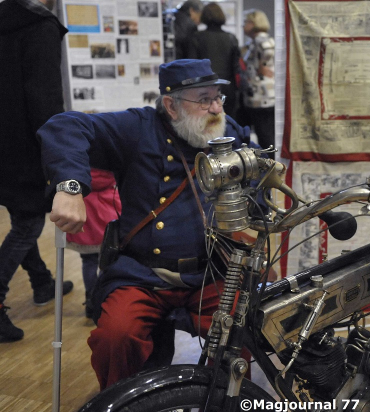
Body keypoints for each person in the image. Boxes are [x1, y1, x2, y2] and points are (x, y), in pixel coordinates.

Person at [38, 59, 254, 389]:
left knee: (243, 328)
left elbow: (256, 186)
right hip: (144, 274)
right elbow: (63, 125)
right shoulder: (138, 127)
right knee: (115, 336)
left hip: (210, 272)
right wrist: (70, 186)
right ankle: (122, 402)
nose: (215, 108)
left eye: (218, 98)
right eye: (204, 99)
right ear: (170, 104)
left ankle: (224, 398)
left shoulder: (229, 134)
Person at [0, 0, 73, 342]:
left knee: (21, 215)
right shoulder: (40, 27)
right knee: (29, 223)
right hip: (24, 145)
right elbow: (44, 97)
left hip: (4, 143)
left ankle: (42, 282)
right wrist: (58, 149)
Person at [65, 168, 121, 318]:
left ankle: (90, 299)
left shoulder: (79, 166)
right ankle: (106, 297)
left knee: (88, 262)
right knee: (108, 262)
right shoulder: (106, 168)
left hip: (83, 211)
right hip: (106, 213)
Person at [190, 2, 241, 120]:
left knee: (206, 125)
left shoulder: (196, 37)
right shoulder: (231, 38)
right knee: (228, 125)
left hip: (204, 89)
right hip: (228, 88)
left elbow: (193, 67)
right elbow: (236, 67)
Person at [241, 9, 276, 158]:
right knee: (263, 134)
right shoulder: (255, 41)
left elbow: (268, 52)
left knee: (265, 136)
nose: (243, 26)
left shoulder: (261, 40)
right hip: (258, 96)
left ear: (254, 23)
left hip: (262, 97)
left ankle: (271, 168)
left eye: (246, 22)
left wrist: (263, 64)